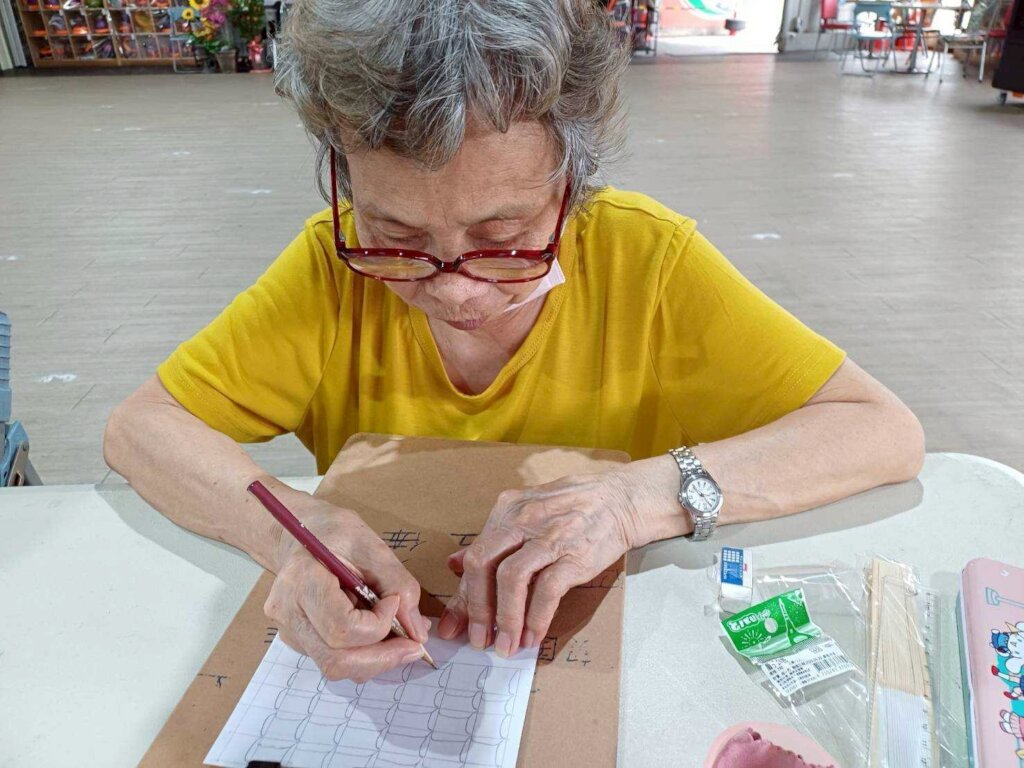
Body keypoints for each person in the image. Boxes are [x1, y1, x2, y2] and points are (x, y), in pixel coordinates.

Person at [104, 0, 924, 683]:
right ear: (343, 176)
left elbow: (880, 430)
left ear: (572, 182)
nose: (455, 291)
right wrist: (292, 535)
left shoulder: (647, 264)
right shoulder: (329, 270)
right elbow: (141, 428)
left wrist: (635, 501)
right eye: (397, 238)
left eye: (503, 239)